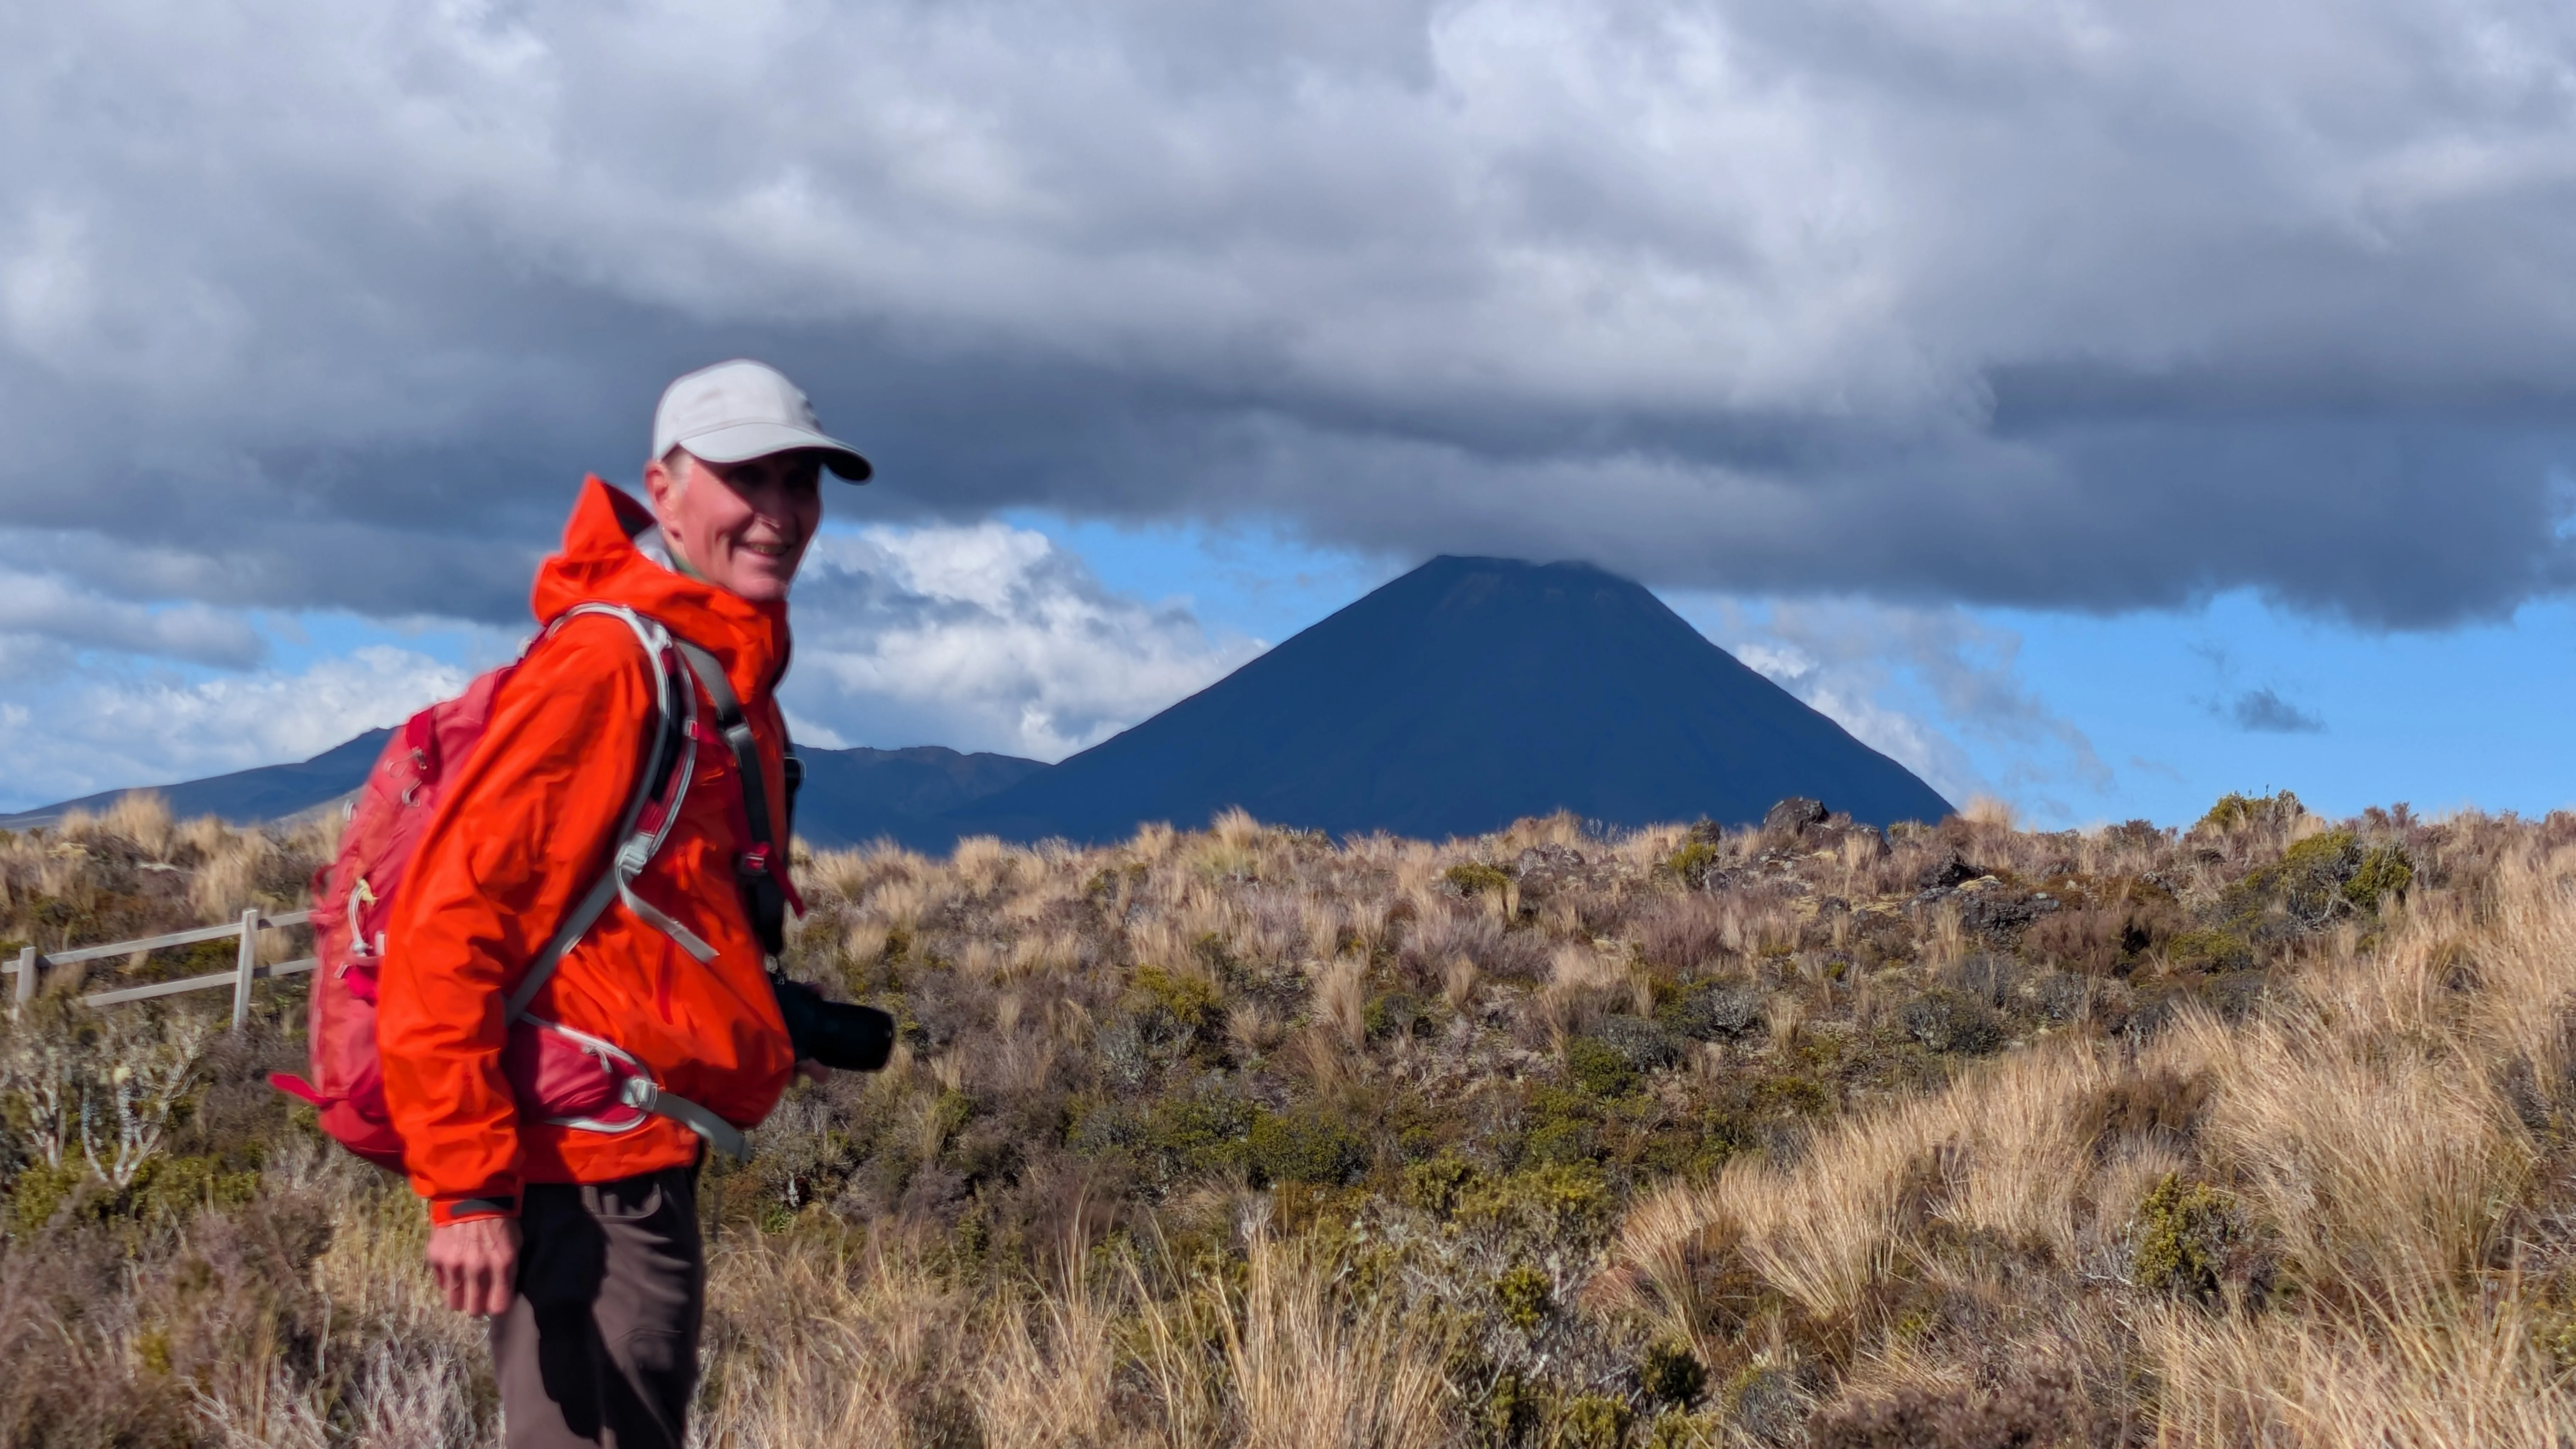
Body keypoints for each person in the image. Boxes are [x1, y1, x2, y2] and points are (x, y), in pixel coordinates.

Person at [377, 359, 870, 1448]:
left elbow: (648, 919)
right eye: (748, 479)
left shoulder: (714, 665)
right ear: (665, 486)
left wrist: (748, 1017)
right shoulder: (611, 666)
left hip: (632, 1161)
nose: (781, 514)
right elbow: (449, 925)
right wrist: (465, 1188)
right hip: (582, 1181)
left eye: (802, 483)